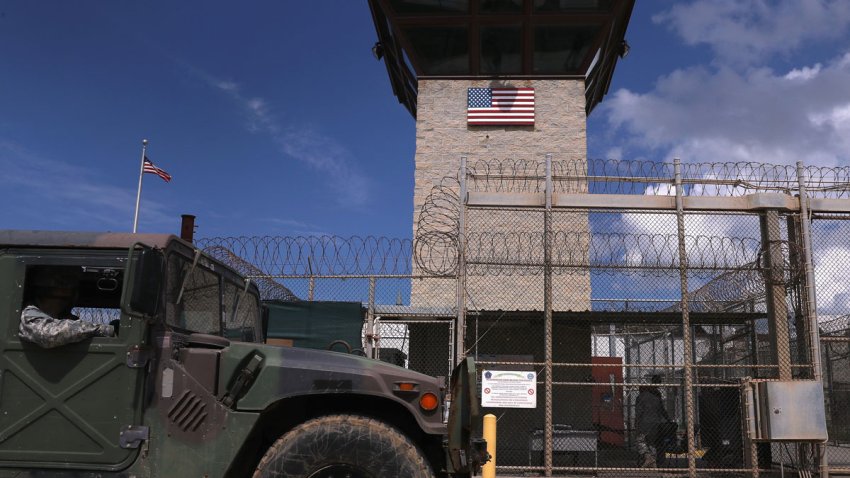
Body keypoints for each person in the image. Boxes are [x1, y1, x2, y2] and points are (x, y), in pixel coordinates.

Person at [19, 266, 115, 348]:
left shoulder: (65, 318)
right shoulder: (29, 314)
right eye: (64, 284)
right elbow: (49, 334)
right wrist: (102, 329)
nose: (69, 291)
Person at [635, 374, 671, 468]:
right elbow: (662, 409)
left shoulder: (641, 397)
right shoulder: (656, 396)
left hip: (645, 422)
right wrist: (668, 419)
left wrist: (637, 423)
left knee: (640, 440)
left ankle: (648, 457)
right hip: (656, 423)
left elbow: (639, 412)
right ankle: (653, 462)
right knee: (652, 442)